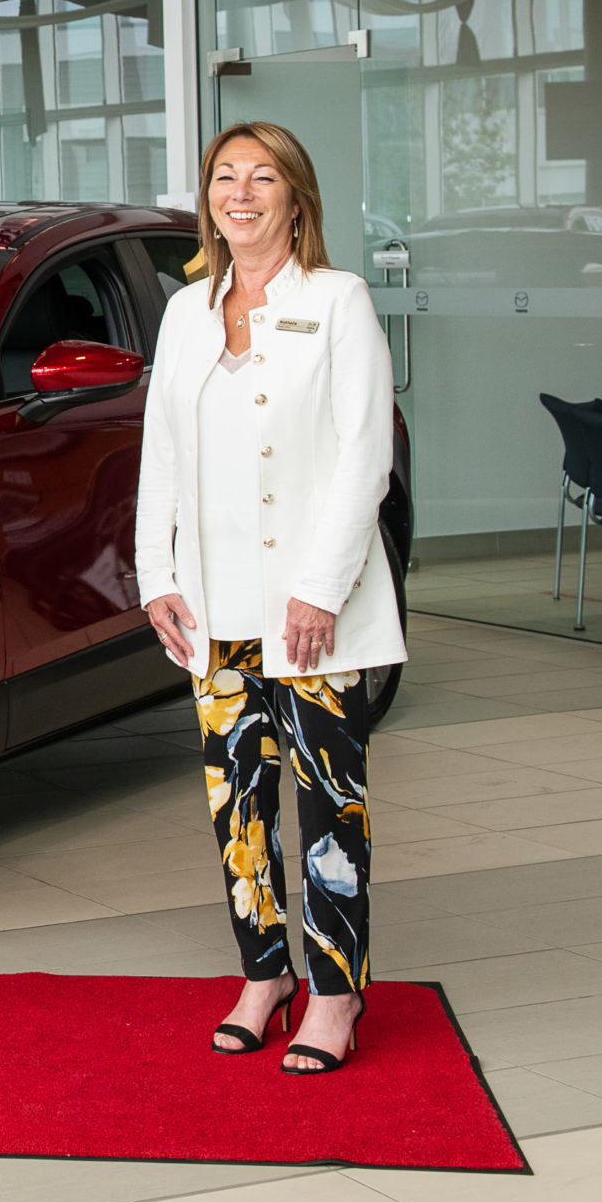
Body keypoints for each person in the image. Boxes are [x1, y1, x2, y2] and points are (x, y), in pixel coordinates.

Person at [135, 121, 404, 1074]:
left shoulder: (338, 302)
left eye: (262, 177)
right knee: (237, 801)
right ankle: (264, 973)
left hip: (310, 613)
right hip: (214, 608)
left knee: (330, 802)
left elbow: (363, 457)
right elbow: (161, 449)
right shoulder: (183, 311)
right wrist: (155, 576)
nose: (239, 192)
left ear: (296, 198)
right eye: (223, 176)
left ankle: (333, 992)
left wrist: (321, 588)